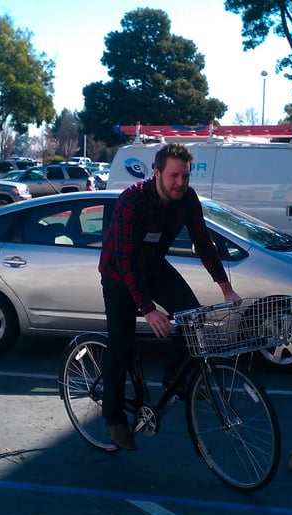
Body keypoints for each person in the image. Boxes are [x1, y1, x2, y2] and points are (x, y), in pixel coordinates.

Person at [98, 143, 240, 450]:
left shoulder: (187, 200)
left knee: (193, 317)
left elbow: (203, 243)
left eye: (185, 176)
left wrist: (225, 286)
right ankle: (113, 418)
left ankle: (174, 380)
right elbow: (126, 261)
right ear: (157, 173)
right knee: (121, 344)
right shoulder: (132, 200)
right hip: (118, 272)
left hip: (153, 266)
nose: (180, 182)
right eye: (174, 176)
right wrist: (147, 308)